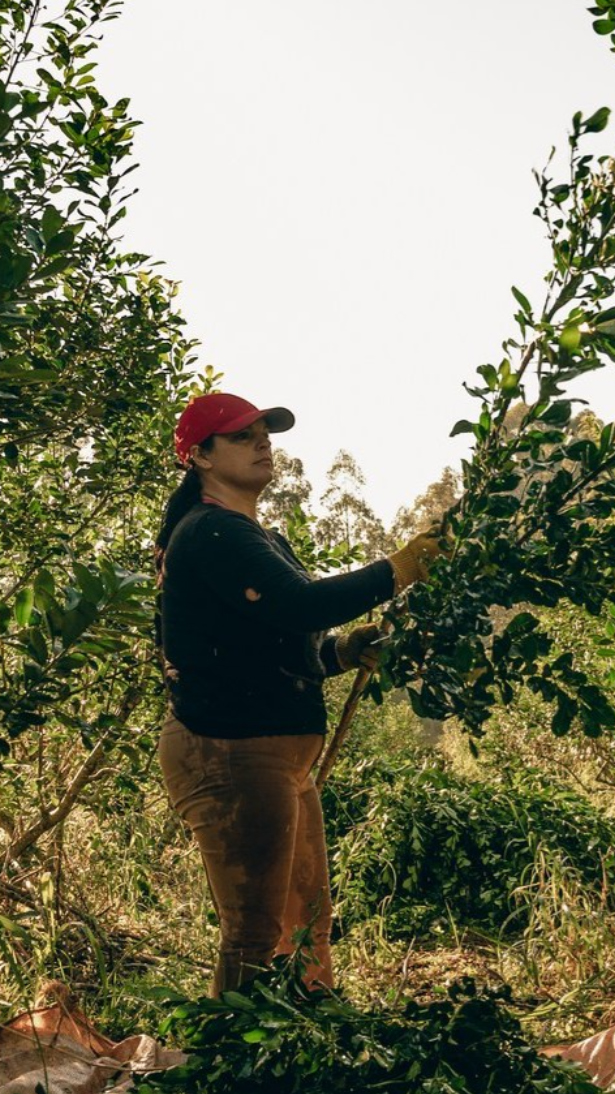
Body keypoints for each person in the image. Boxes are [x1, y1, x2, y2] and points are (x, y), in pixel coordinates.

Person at [154, 392, 441, 996]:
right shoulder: (209, 531)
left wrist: (342, 651)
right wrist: (400, 567)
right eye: (241, 436)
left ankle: (307, 1036)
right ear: (199, 457)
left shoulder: (257, 538)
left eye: (265, 432)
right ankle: (233, 1061)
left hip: (278, 759)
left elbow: (279, 641)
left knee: (306, 918)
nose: (263, 443)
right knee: (255, 929)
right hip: (229, 752)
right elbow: (299, 604)